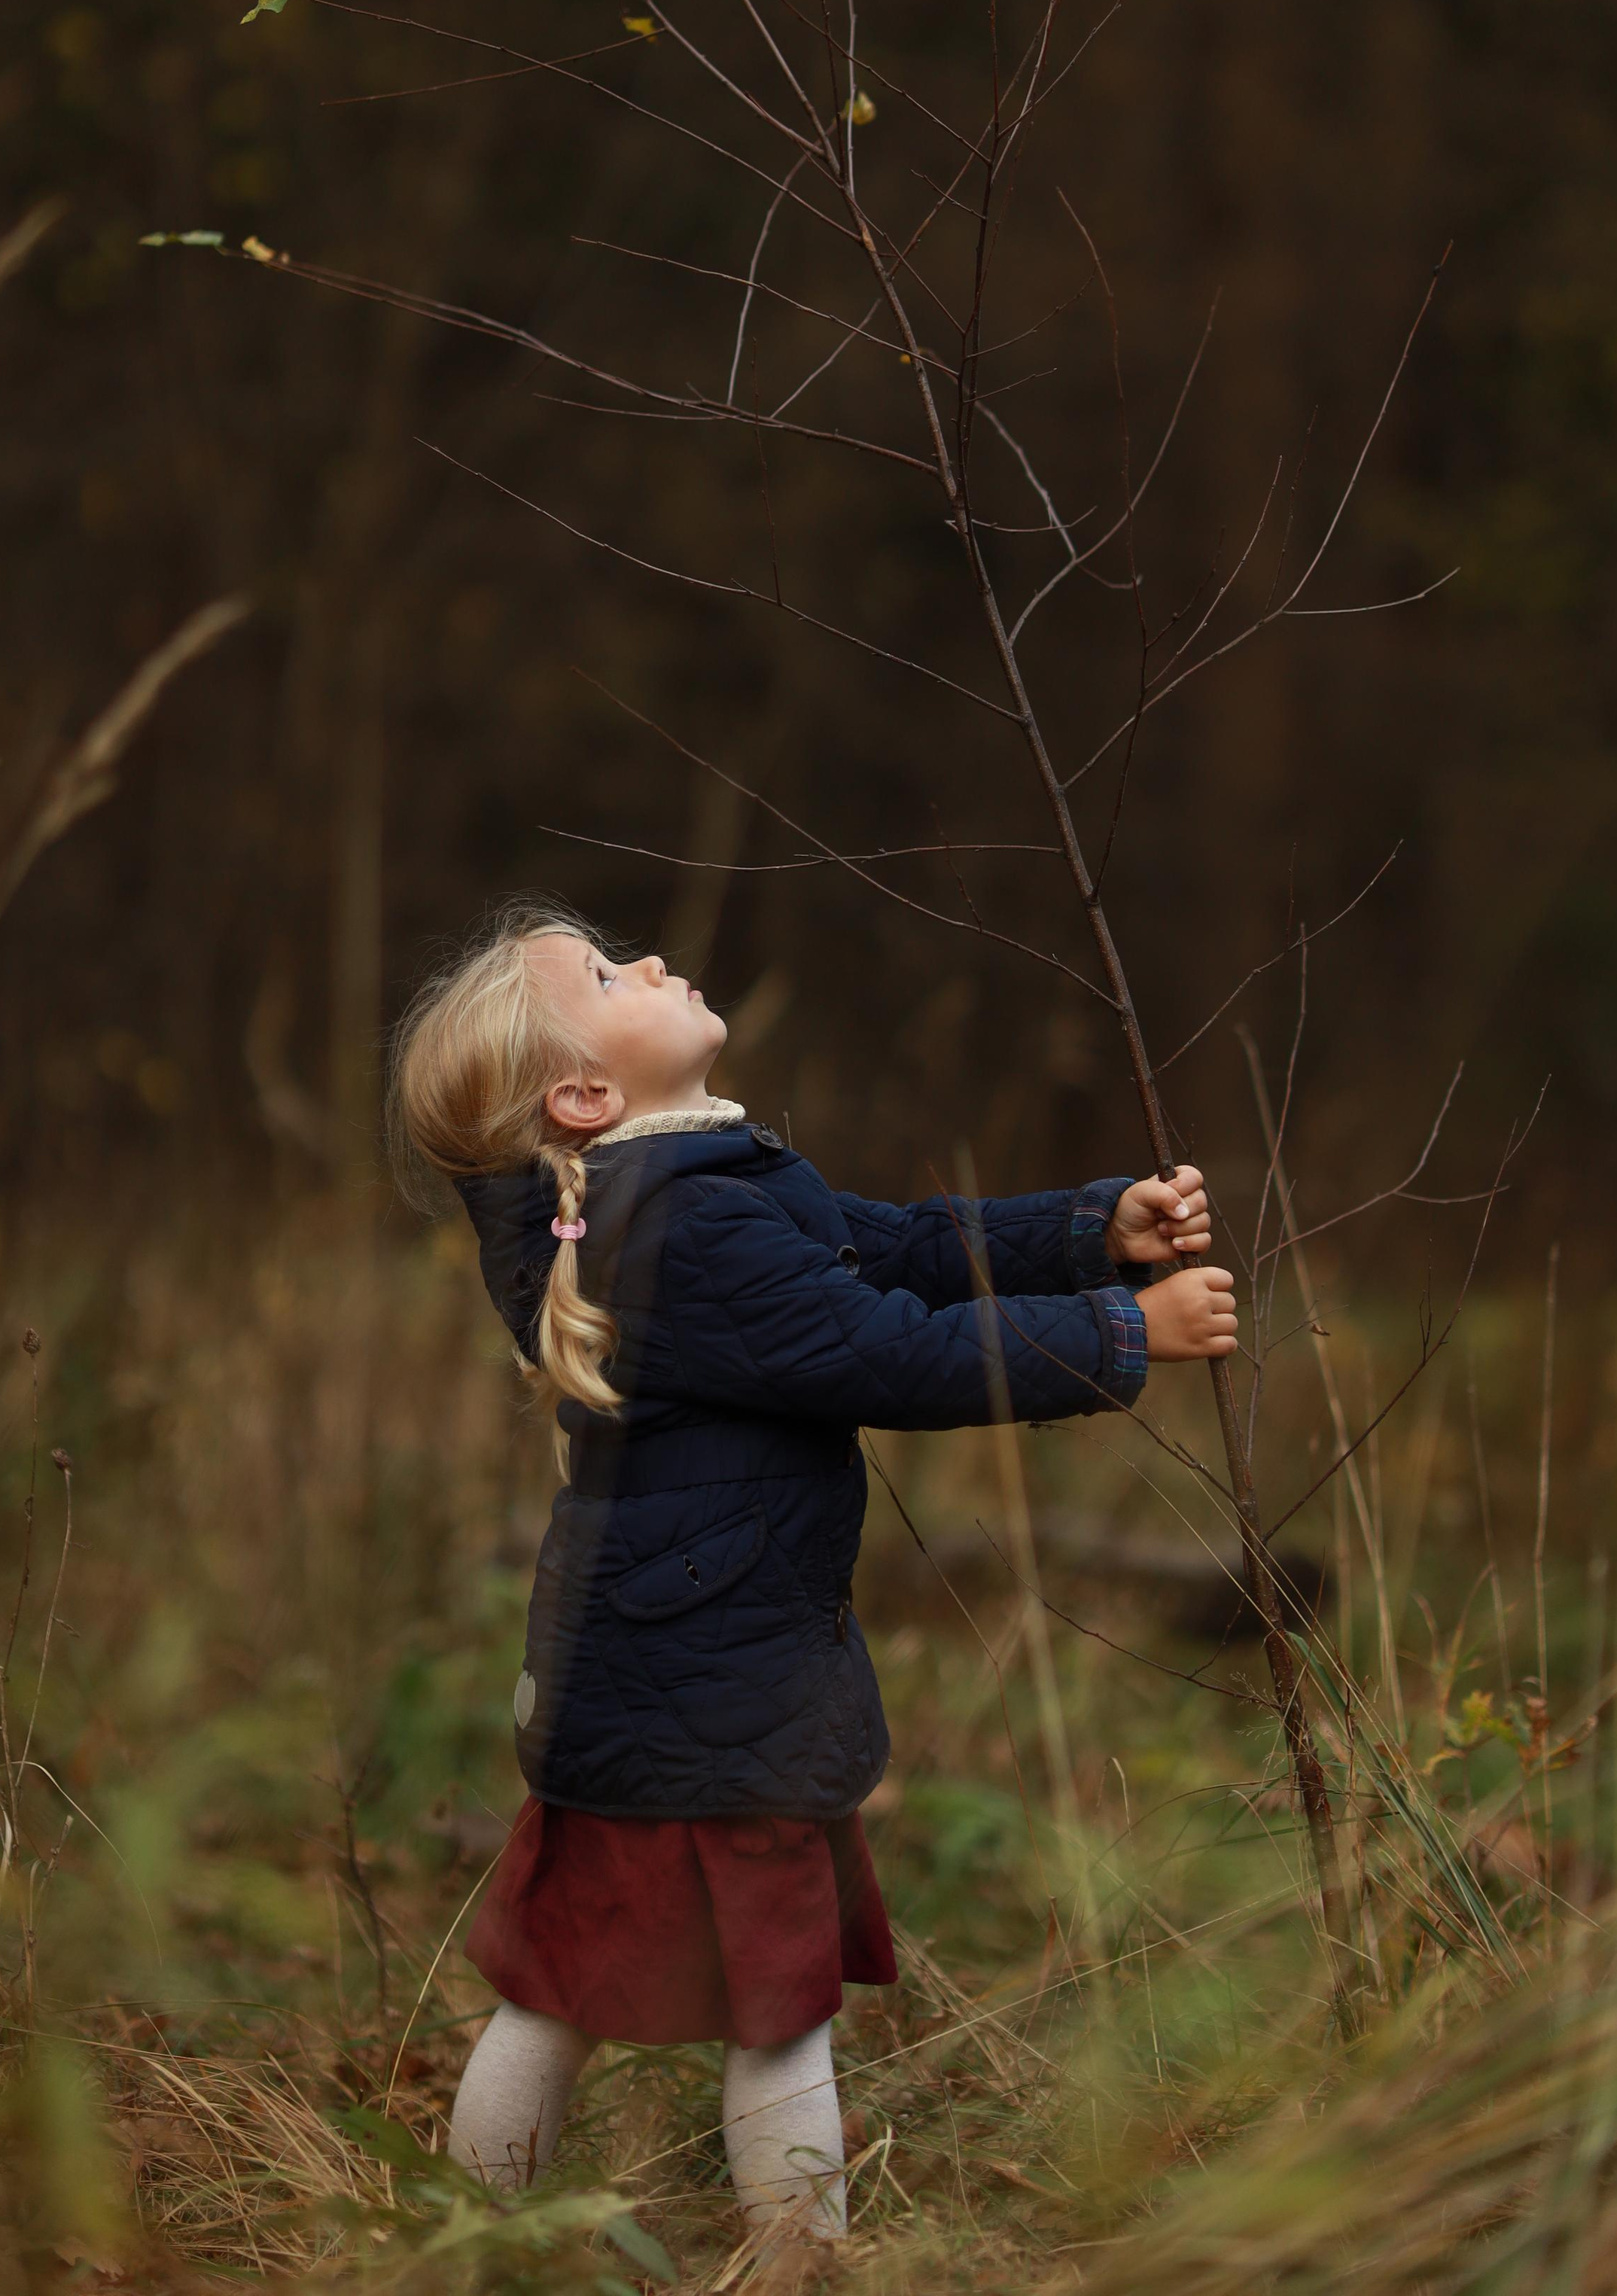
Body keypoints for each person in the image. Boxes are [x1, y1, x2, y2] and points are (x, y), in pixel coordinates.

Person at [391, 898, 1237, 2258]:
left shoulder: (680, 1190)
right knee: (774, 2009)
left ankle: (458, 2243)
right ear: (587, 1094)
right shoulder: (682, 1233)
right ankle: (799, 2264)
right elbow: (888, 1349)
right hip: (721, 1693)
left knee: (560, 1988)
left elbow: (896, 1247)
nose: (654, 960)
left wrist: (1092, 1232)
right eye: (611, 973)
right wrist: (1120, 1334)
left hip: (649, 1672)